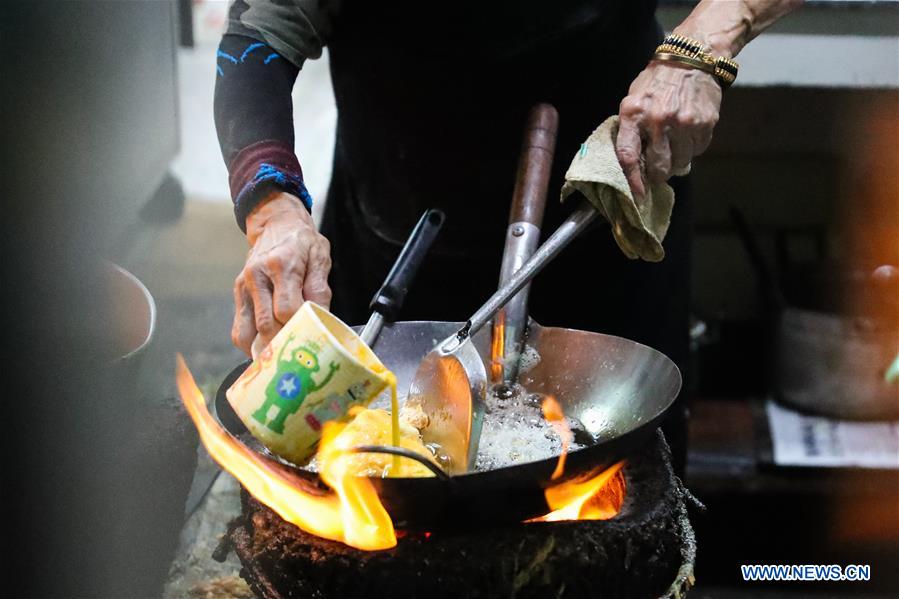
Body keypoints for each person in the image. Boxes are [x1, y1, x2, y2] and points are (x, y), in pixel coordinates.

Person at [214, 0, 802, 470]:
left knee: (620, 492)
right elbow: (258, 35)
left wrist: (703, 45)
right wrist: (273, 213)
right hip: (401, 239)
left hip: (603, 223)